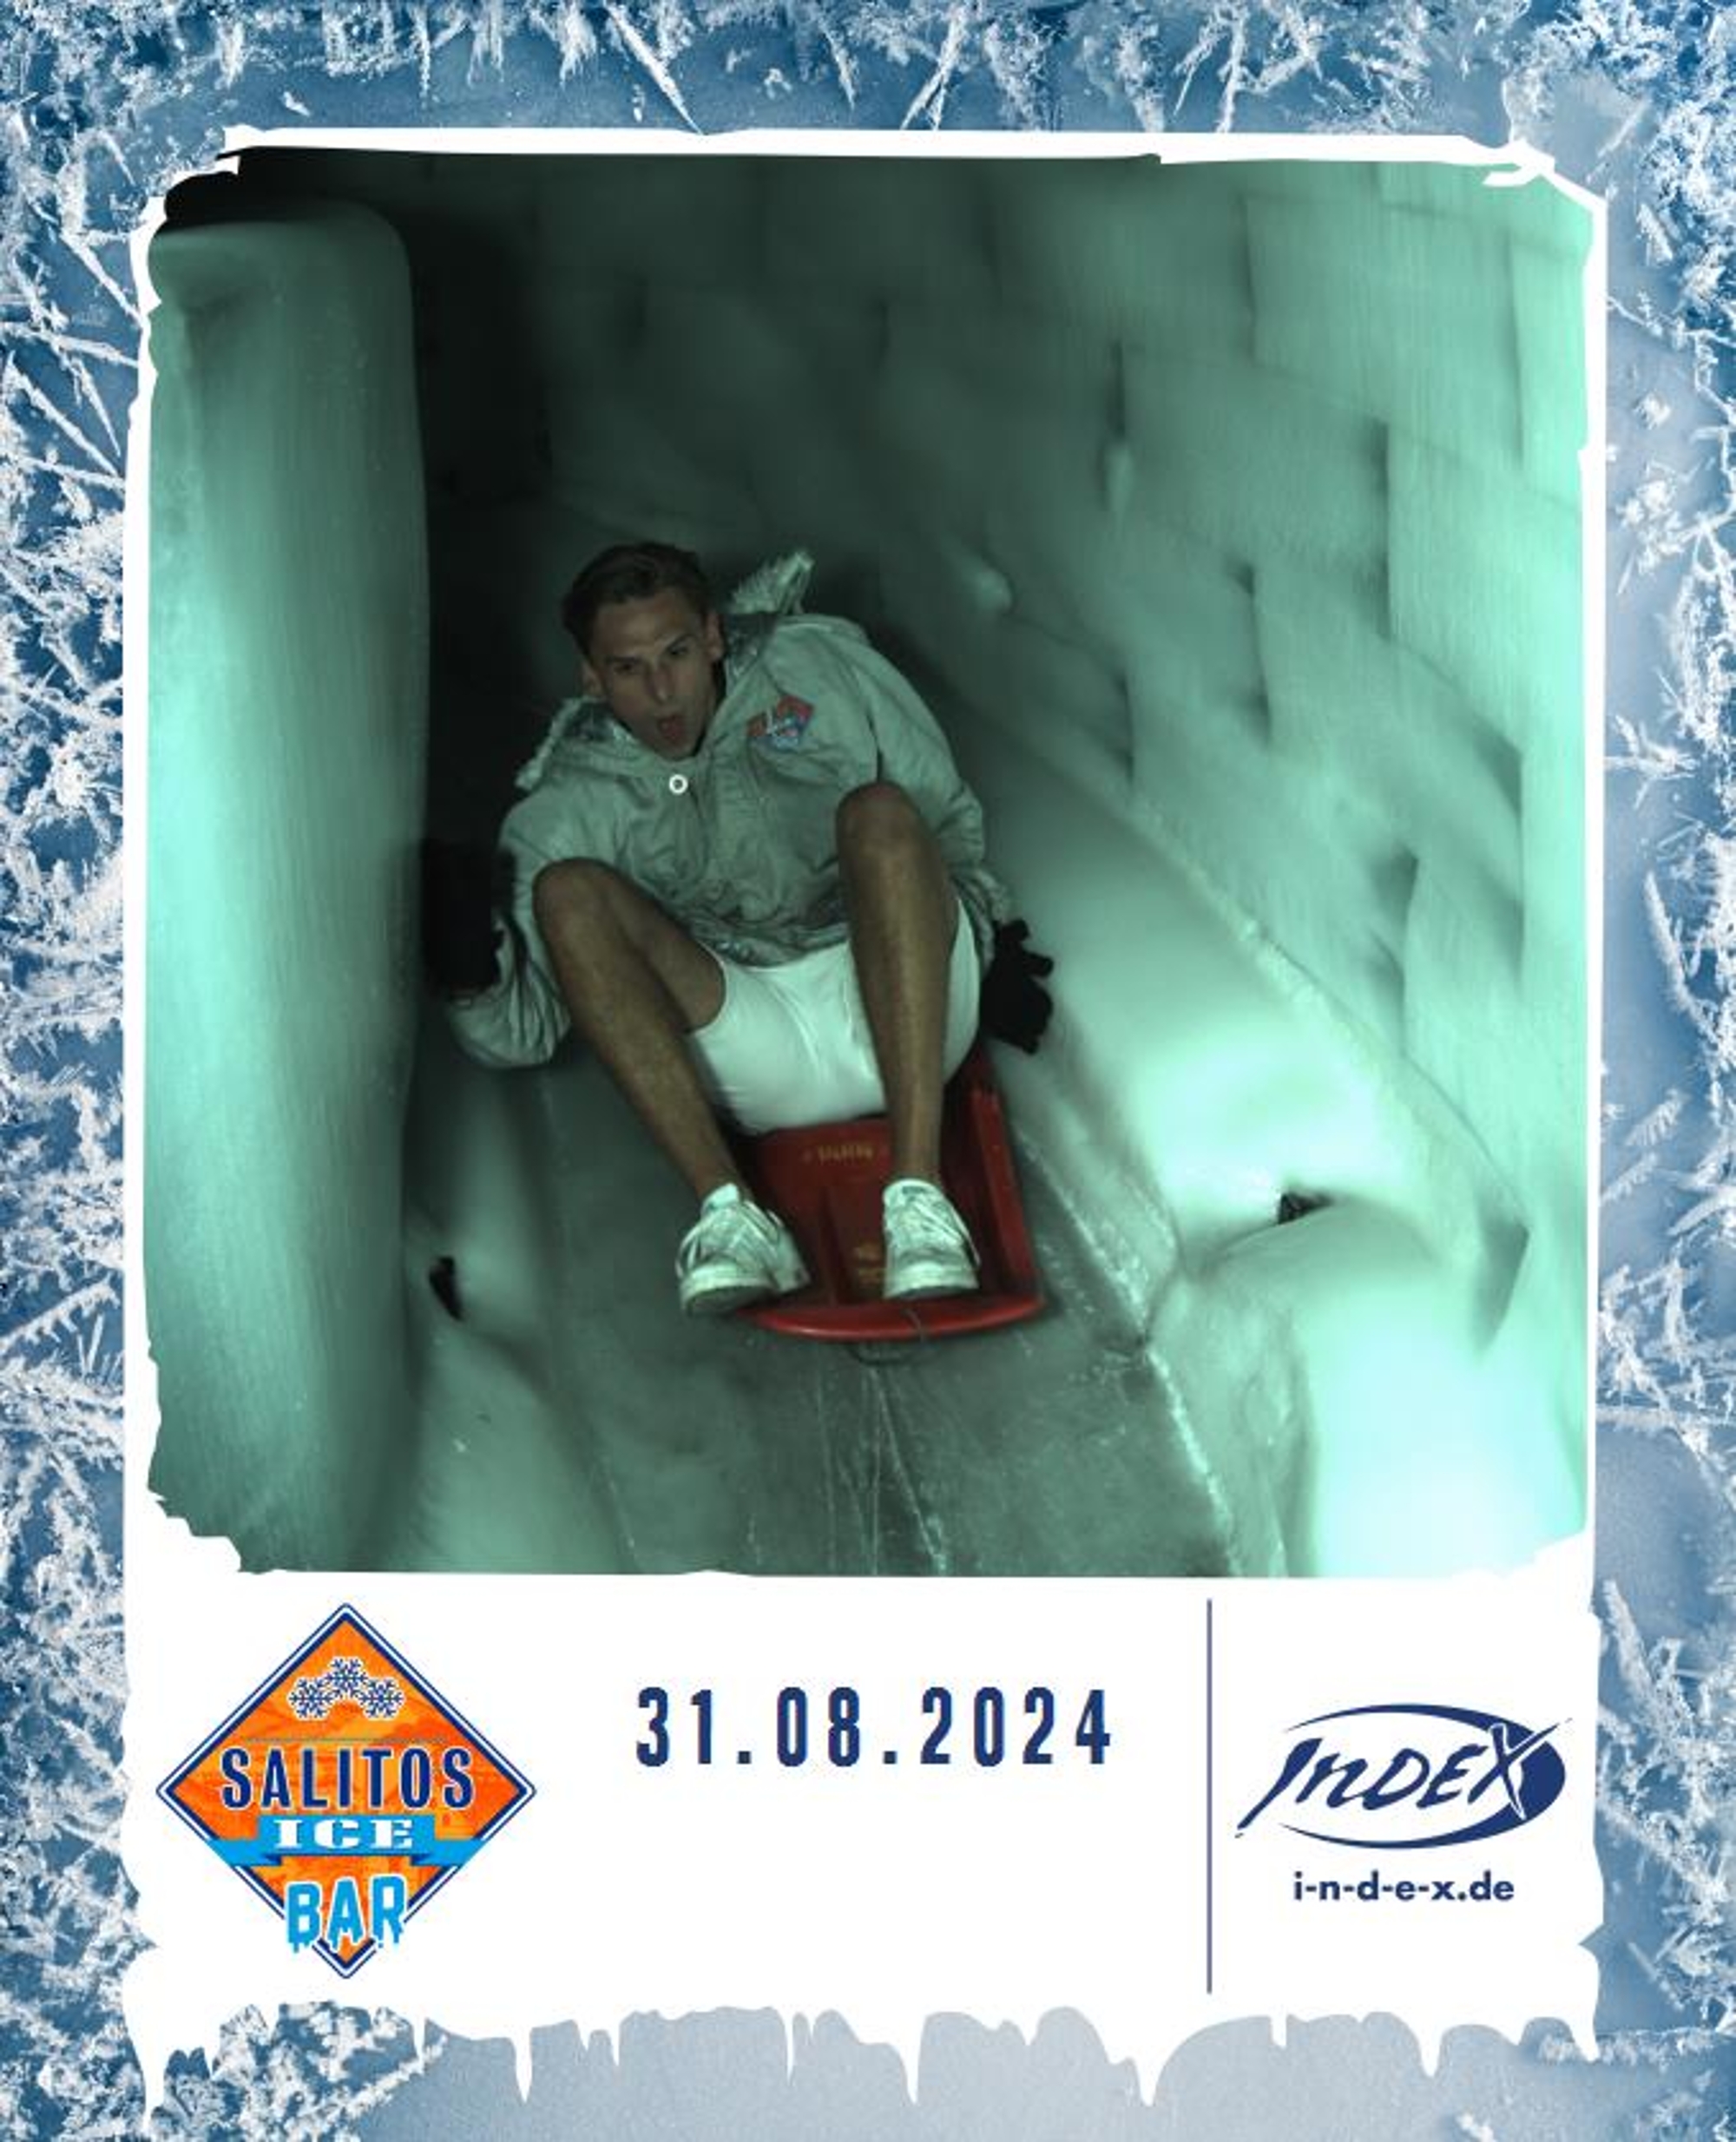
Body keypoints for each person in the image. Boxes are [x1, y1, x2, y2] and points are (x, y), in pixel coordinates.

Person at [424, 542, 1051, 1315]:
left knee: (880, 812)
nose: (662, 692)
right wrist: (471, 976)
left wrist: (985, 934)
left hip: (897, 1000)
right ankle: (730, 1215)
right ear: (590, 677)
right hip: (752, 1040)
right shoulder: (568, 804)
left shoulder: (821, 669)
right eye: (628, 668)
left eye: (677, 653)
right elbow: (527, 1028)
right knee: (568, 893)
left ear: (714, 636)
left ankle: (921, 1202)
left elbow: (944, 823)